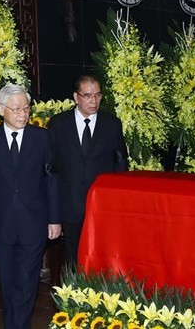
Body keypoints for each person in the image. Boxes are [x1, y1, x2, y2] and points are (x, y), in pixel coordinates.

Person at [0, 84, 61, 329]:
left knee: (26, 282)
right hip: (2, 224)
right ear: (1, 109)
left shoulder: (42, 138)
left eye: (26, 108)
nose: (23, 114)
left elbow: (52, 180)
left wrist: (54, 219)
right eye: (16, 109)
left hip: (34, 222)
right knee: (8, 283)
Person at [47, 75, 128, 265]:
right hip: (70, 204)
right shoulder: (58, 124)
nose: (94, 101)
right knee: (73, 258)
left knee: (102, 257)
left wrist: (118, 202)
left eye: (98, 95)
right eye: (88, 95)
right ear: (76, 97)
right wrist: (54, 211)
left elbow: (121, 163)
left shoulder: (112, 124)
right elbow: (51, 167)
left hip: (102, 205)